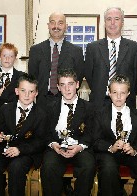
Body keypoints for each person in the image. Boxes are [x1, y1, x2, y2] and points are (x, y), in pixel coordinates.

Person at [0, 73, 48, 196]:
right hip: (5, 149)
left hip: (26, 152)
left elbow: (40, 141)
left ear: (36, 93)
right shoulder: (5, 109)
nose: (27, 95)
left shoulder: (42, 114)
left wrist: (19, 149)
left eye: (31, 91)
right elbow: (0, 130)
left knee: (16, 167)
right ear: (16, 91)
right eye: (23, 90)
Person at [93, 74, 137, 196]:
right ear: (109, 93)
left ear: (128, 94)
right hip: (108, 153)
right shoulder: (99, 114)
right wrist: (110, 147)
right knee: (108, 169)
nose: (118, 97)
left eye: (122, 93)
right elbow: (95, 140)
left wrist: (134, 150)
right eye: (115, 92)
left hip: (130, 153)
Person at [40, 68, 95, 196]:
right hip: (57, 147)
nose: (67, 89)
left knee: (88, 166)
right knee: (48, 167)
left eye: (70, 84)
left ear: (77, 85)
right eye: (63, 85)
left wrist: (79, 147)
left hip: (79, 147)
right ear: (58, 87)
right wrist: (53, 144)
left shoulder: (89, 108)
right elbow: (45, 132)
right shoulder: (50, 107)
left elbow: (91, 133)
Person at [85, 7, 137, 111]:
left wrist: (124, 94)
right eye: (109, 19)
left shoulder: (135, 48)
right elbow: (89, 76)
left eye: (116, 19)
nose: (112, 23)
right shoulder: (92, 47)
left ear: (122, 22)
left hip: (125, 103)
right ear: (105, 22)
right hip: (99, 103)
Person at [28, 12, 85, 108]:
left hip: (67, 101)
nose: (56, 26)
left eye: (60, 23)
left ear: (66, 26)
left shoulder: (76, 51)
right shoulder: (35, 50)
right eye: (53, 22)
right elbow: (32, 76)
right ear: (48, 25)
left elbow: (78, 77)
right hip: (42, 102)